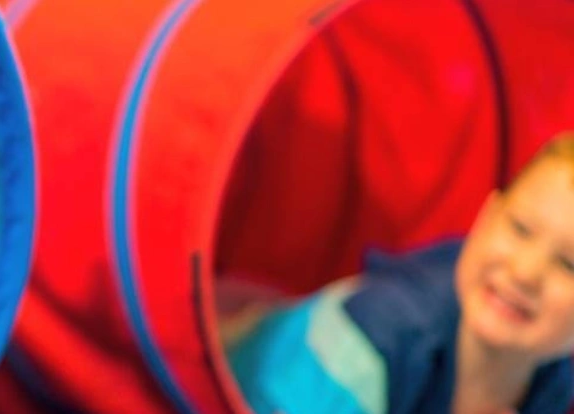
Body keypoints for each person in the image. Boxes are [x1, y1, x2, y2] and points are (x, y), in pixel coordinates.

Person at [225, 134, 574, 414]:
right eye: (520, 229)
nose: (525, 272)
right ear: (485, 217)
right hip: (221, 369)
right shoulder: (366, 348)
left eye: (568, 265)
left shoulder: (556, 376)